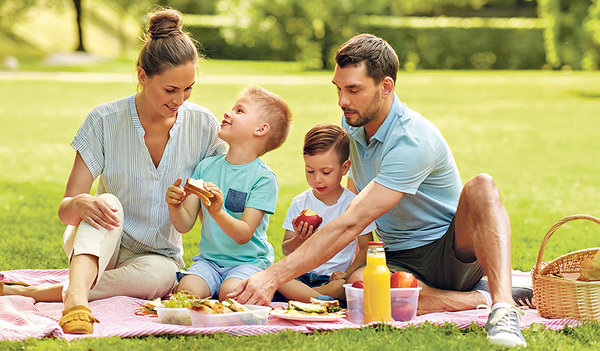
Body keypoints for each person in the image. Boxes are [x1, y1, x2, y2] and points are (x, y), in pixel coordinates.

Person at [229, 34, 527, 348]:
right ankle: (475, 298)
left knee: (482, 185)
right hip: (394, 256)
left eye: (353, 90)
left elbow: (353, 220)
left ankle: (503, 307)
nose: (342, 101)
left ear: (385, 87)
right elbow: (355, 193)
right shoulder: (353, 126)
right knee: (358, 290)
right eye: (339, 88)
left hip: (448, 251)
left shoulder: (411, 139)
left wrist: (272, 276)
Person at [1, 8, 226, 334]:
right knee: (107, 203)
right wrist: (80, 203)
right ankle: (75, 298)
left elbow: (213, 202)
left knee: (162, 278)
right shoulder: (104, 120)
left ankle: (38, 292)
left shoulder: (204, 126)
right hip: (96, 240)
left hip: (156, 257)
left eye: (188, 88)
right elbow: (66, 210)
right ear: (142, 76)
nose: (180, 99)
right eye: (170, 90)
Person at [165, 86, 292, 301]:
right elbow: (184, 225)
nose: (228, 113)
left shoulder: (263, 179)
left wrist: (217, 212)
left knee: (231, 294)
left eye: (239, 111)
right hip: (209, 262)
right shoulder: (205, 167)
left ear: (260, 129)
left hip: (248, 263)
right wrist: (174, 205)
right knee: (187, 293)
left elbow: (243, 234)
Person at [276, 123, 375, 302]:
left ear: (345, 168)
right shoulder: (300, 203)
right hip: (301, 277)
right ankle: (320, 300)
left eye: (326, 172)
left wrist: (347, 274)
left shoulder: (354, 204)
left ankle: (306, 299)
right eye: (310, 171)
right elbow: (286, 250)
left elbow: (366, 247)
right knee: (276, 274)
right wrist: (299, 239)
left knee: (346, 286)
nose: (317, 179)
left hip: (332, 279)